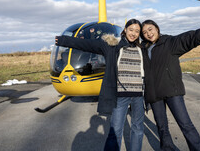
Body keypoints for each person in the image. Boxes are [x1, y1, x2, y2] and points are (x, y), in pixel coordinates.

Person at [55, 19, 145, 151]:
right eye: (131, 30)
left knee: (138, 129)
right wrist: (64, 40)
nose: (133, 33)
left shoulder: (141, 49)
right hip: (120, 95)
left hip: (138, 96)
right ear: (125, 30)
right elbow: (87, 44)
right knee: (115, 130)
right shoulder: (112, 46)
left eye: (137, 31)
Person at [141, 19, 200, 151]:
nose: (148, 33)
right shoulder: (143, 49)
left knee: (186, 125)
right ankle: (167, 148)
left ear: (157, 28)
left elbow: (191, 37)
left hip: (172, 91)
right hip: (154, 94)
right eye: (145, 32)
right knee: (162, 127)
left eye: (150, 29)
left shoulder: (170, 42)